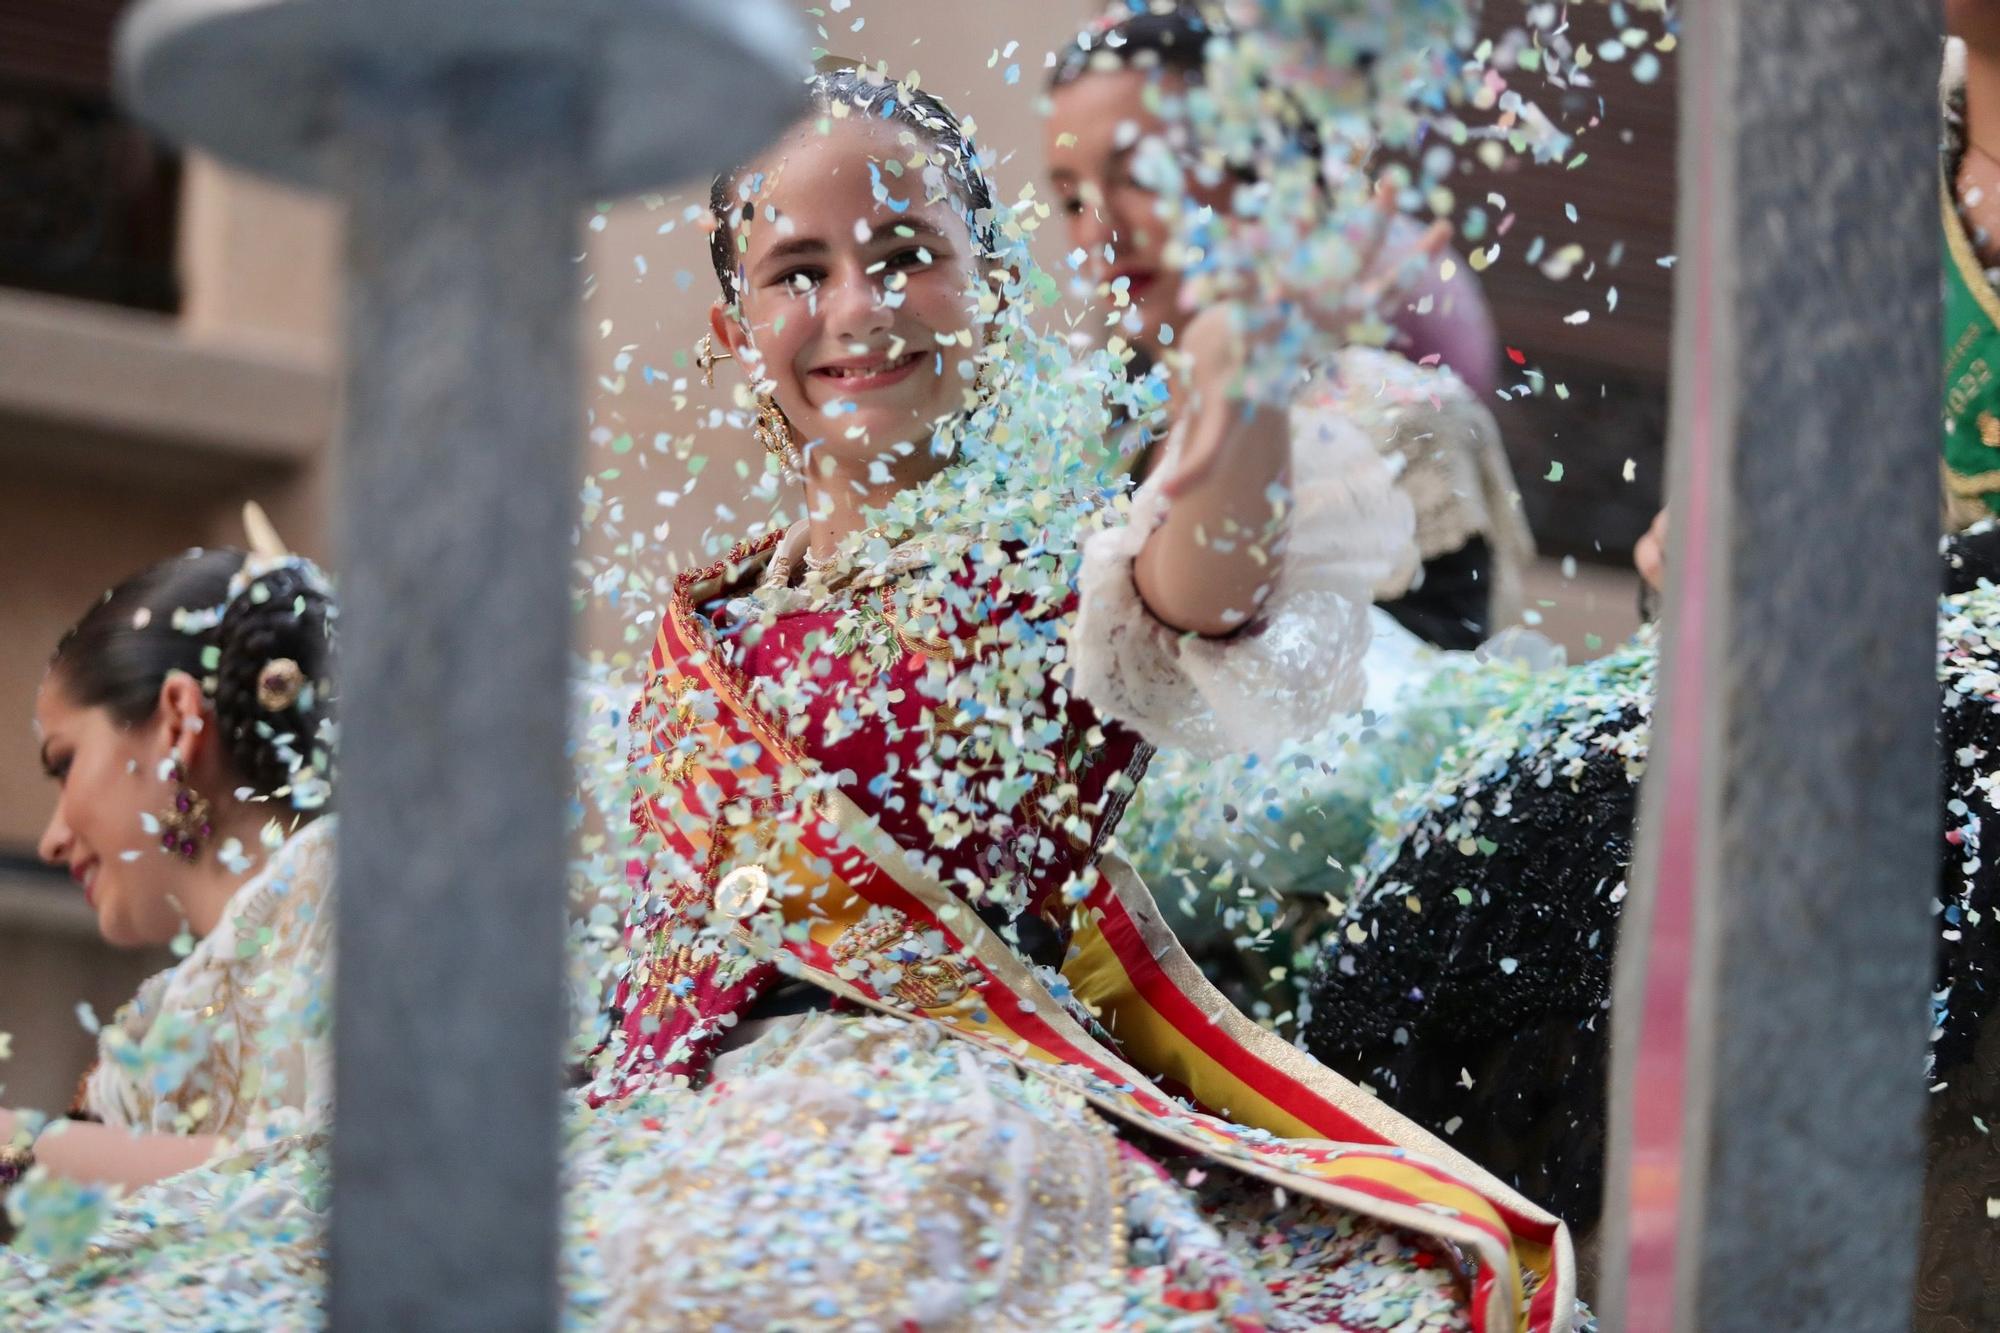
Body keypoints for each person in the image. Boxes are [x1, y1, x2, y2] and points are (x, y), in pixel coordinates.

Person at [4, 69, 1580, 1332]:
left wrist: (1241, 355)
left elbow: (1208, 577)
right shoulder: (710, 615)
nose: (856, 311)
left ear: (990, 283)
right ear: (731, 330)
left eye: (906, 256)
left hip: (901, 1137)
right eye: (797, 272)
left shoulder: (1059, 560)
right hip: (646, 1127)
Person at [1044, 2, 1532, 650]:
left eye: (1140, 174)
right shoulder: (1086, 423)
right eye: (1072, 198)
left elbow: (1424, 720)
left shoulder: (1403, 425)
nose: (1098, 233)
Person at [0, 518, 336, 1218]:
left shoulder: (353, 892)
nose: (55, 838)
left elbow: (374, 1187)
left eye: (65, 764)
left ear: (179, 721)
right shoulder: (145, 1039)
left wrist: (33, 1156)